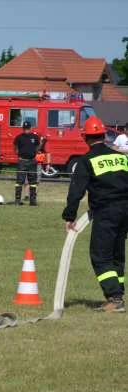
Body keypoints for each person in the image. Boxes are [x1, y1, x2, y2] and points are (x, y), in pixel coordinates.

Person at [62, 116, 128, 312]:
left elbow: (76, 191)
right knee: (117, 253)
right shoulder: (121, 157)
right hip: (126, 210)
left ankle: (114, 298)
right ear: (104, 136)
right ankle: (119, 293)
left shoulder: (87, 160)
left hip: (107, 211)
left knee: (100, 255)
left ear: (85, 138)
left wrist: (69, 216)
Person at [14, 120, 44, 206]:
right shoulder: (18, 137)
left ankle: (32, 201)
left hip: (32, 162)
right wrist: (19, 156)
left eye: (27, 128)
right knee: (19, 181)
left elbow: (38, 147)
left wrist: (36, 150)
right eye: (25, 128)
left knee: (33, 182)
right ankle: (17, 200)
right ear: (23, 129)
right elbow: (15, 148)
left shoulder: (35, 137)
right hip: (22, 162)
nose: (26, 130)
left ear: (30, 128)